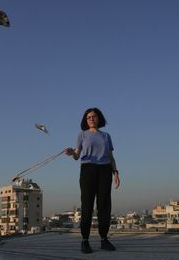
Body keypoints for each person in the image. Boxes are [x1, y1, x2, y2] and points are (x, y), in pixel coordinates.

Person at [64, 107, 120, 254]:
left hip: (105, 170)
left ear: (99, 118)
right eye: (88, 117)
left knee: (104, 205)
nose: (91, 119)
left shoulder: (106, 136)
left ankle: (104, 239)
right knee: (87, 205)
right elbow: (77, 155)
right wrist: (71, 153)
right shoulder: (82, 135)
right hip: (88, 170)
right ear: (85, 120)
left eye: (93, 117)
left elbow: (111, 157)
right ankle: (85, 240)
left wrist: (116, 172)